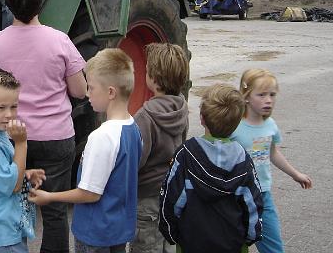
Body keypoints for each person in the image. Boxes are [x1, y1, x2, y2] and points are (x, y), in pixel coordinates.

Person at [0, 0, 87, 253]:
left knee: (13, 207)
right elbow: (80, 91)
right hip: (56, 139)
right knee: (54, 212)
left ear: (9, 4)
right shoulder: (59, 41)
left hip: (11, 138)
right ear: (39, 3)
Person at [29, 48, 142, 253]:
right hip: (118, 229)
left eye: (91, 88)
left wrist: (50, 197)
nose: (87, 94)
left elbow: (89, 194)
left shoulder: (102, 137)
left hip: (95, 233)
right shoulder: (133, 128)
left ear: (110, 92)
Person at [159, 84, 263, 253]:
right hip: (233, 245)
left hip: (191, 243)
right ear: (236, 124)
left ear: (202, 118)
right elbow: (253, 205)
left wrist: (171, 233)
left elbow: (170, 199)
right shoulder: (243, 160)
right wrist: (251, 237)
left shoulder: (185, 154)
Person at [230, 69, 313, 253]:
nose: (268, 99)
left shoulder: (270, 126)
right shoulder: (233, 126)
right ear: (246, 96)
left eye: (272, 95)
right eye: (261, 94)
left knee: (274, 248)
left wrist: (295, 174)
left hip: (262, 196)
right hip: (235, 197)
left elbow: (273, 153)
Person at [0, 69, 46, 253]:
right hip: (2, 232)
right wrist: (21, 144)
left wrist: (24, 174)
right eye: (1, 108)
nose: (9, 114)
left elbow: (3, 174)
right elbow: (12, 186)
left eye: (14, 106)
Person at [129, 43, 189, 253]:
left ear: (153, 79)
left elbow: (136, 160)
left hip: (146, 198)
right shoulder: (181, 107)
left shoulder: (145, 117)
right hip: (170, 192)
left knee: (146, 246)